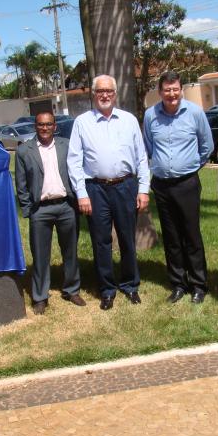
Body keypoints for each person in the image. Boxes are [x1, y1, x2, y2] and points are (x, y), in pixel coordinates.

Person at [67, 74, 150, 310]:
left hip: (125, 186)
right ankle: (107, 289)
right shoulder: (82, 122)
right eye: (100, 91)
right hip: (95, 189)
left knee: (127, 237)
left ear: (115, 94)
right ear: (93, 94)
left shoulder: (129, 120)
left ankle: (130, 284)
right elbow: (74, 160)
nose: (105, 95)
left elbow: (141, 157)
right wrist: (82, 193)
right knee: (101, 240)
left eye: (109, 91)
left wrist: (144, 189)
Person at [144, 71, 213, 304]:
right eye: (167, 90)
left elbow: (207, 146)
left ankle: (198, 284)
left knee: (191, 235)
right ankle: (178, 284)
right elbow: (148, 147)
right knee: (171, 236)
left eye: (175, 89)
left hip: (187, 184)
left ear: (181, 90)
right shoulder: (150, 115)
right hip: (162, 185)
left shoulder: (195, 113)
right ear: (160, 92)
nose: (172, 94)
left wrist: (190, 166)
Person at [14, 113, 85, 315]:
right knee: (40, 255)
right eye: (40, 125)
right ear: (35, 126)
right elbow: (21, 184)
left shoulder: (67, 145)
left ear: (55, 126)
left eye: (48, 124)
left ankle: (72, 290)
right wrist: (28, 209)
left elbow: (77, 170)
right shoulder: (23, 151)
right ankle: (40, 296)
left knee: (70, 251)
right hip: (40, 209)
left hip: (66, 206)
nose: (44, 128)